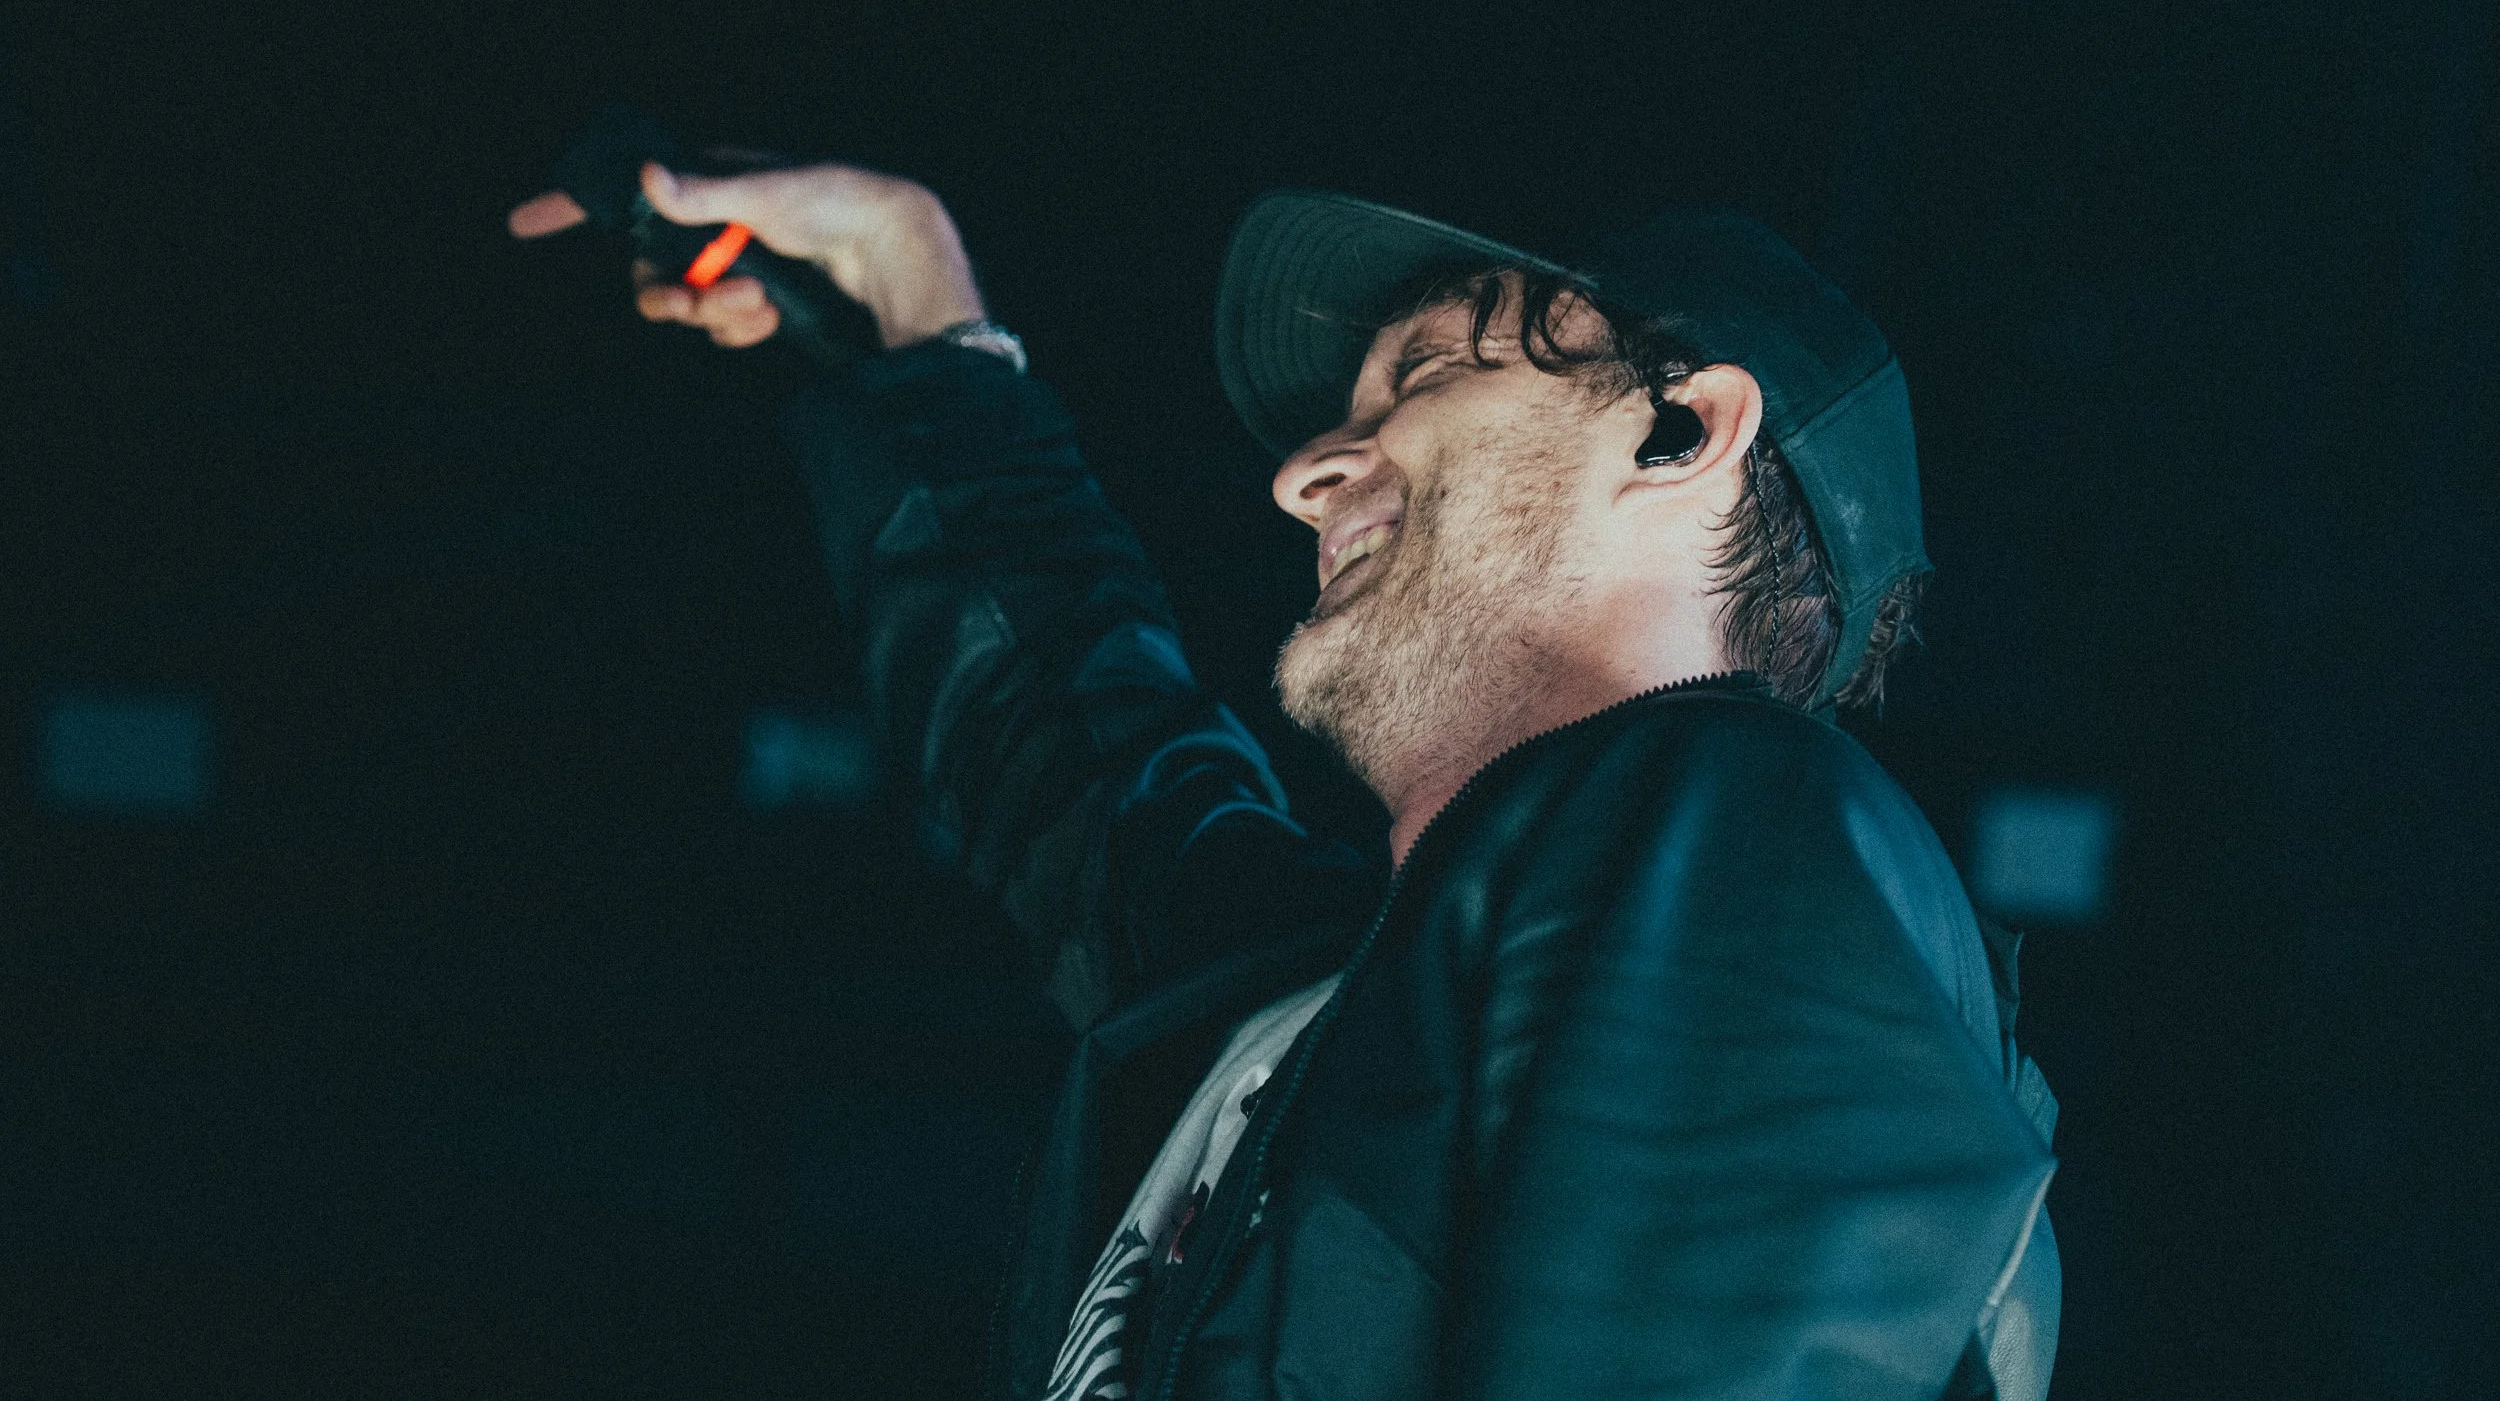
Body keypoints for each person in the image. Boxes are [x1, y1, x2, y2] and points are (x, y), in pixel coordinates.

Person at [511, 159, 2062, 1401]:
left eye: (1431, 371)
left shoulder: (1753, 826)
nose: (1305, 469)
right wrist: (910, 303)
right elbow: (1070, 744)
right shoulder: (1319, 1019)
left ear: (1679, 430)